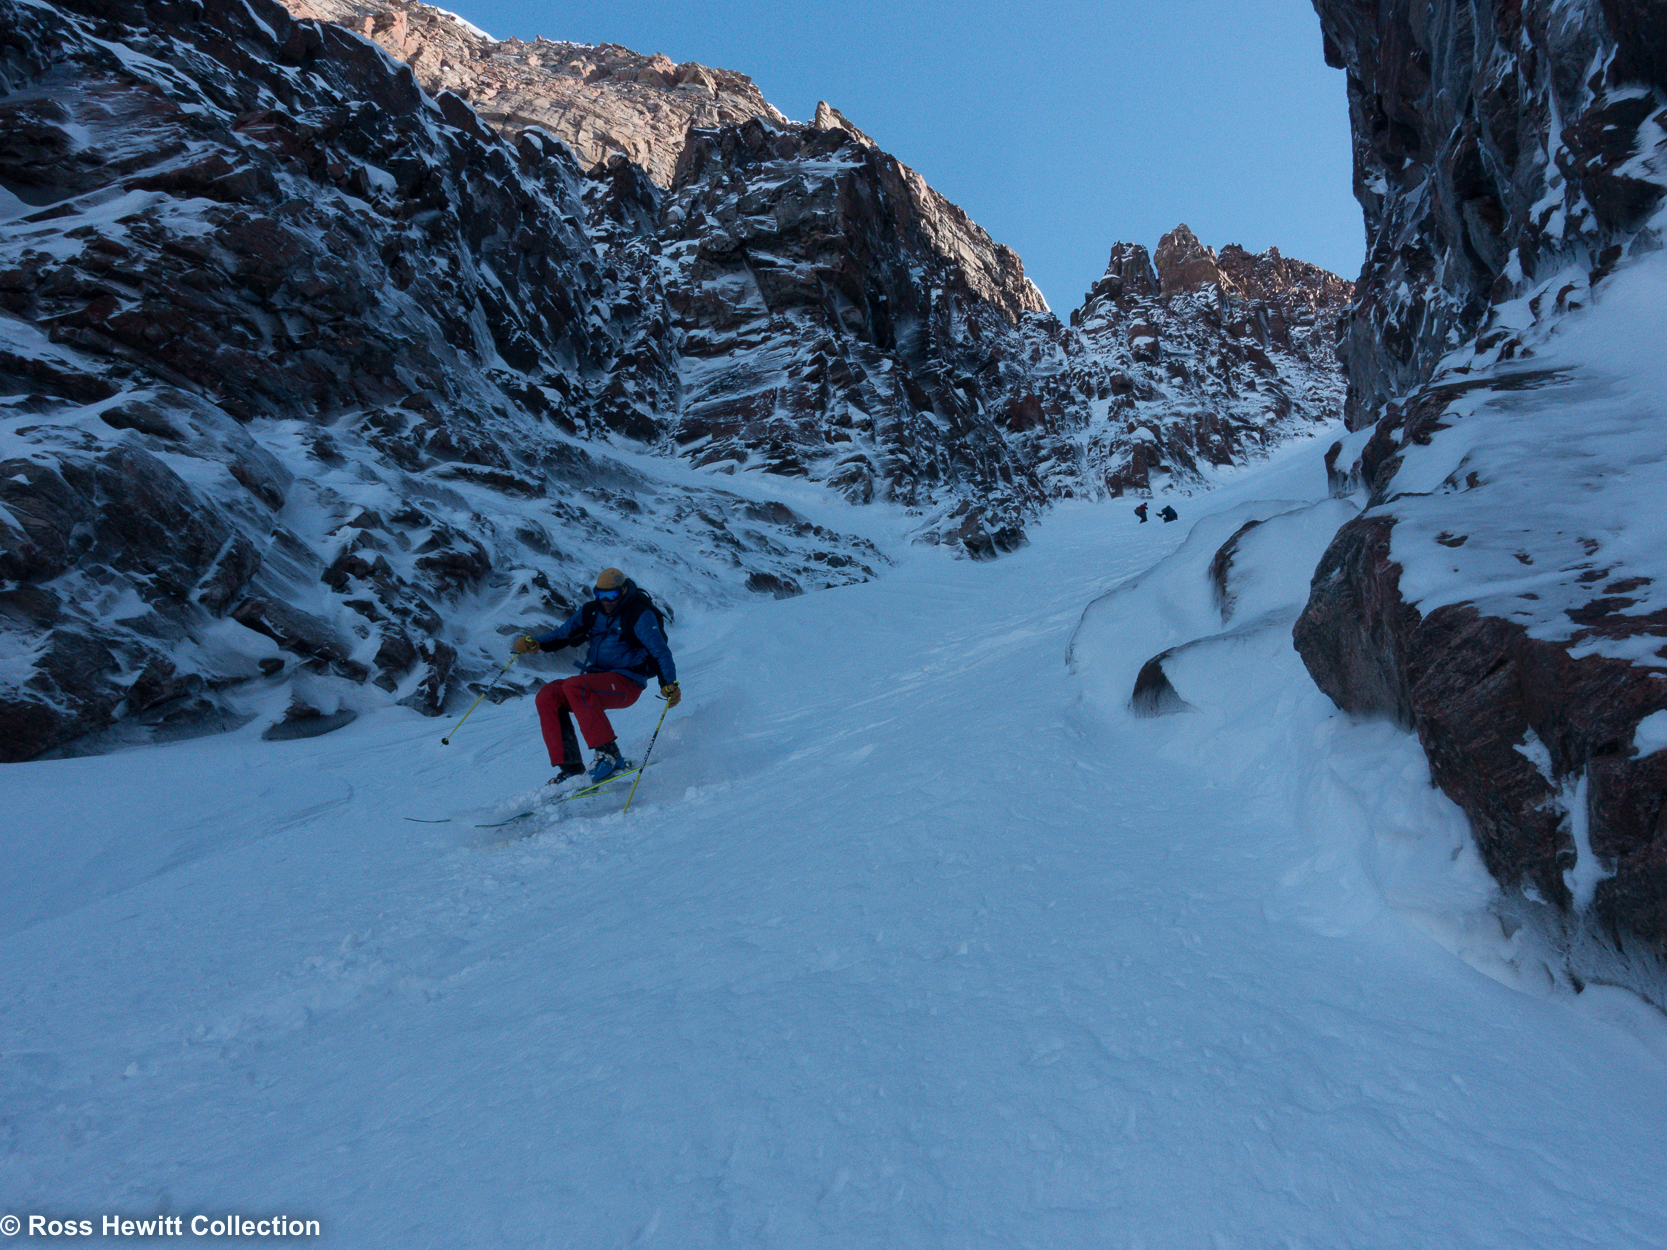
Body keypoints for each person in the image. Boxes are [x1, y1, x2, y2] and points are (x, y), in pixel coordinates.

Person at [512, 568, 681, 785]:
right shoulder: (591, 611)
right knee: (548, 694)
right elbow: (562, 635)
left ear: (623, 591)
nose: (606, 601)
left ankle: (609, 756)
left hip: (627, 683)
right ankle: (571, 770)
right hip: (597, 679)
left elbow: (660, 651)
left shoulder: (638, 614)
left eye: (611, 596)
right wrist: (535, 643)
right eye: (600, 595)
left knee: (575, 686)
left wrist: (668, 683)